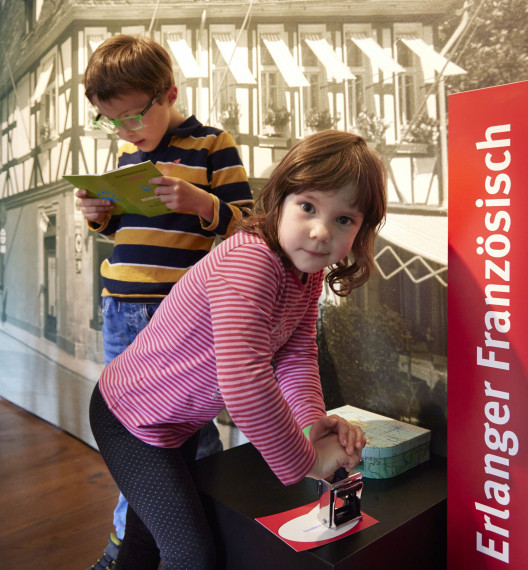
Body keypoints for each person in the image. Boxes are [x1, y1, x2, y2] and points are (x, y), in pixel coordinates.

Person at [89, 129, 387, 569]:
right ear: (280, 200)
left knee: (147, 540)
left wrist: (311, 426)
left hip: (174, 424)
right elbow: (245, 384)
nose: (322, 231)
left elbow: (296, 356)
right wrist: (308, 459)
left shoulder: (307, 274)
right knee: (191, 556)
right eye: (308, 206)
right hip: (129, 418)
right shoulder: (252, 260)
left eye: (345, 219)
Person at [75, 34, 254, 569]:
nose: (125, 131)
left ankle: (190, 538)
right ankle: (134, 543)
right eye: (112, 122)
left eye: (132, 117)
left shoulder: (212, 144)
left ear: (169, 93)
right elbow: (126, 238)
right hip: (122, 309)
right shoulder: (130, 157)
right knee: (136, 436)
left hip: (181, 314)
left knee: (188, 436)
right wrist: (100, 217)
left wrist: (204, 203)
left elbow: (247, 229)